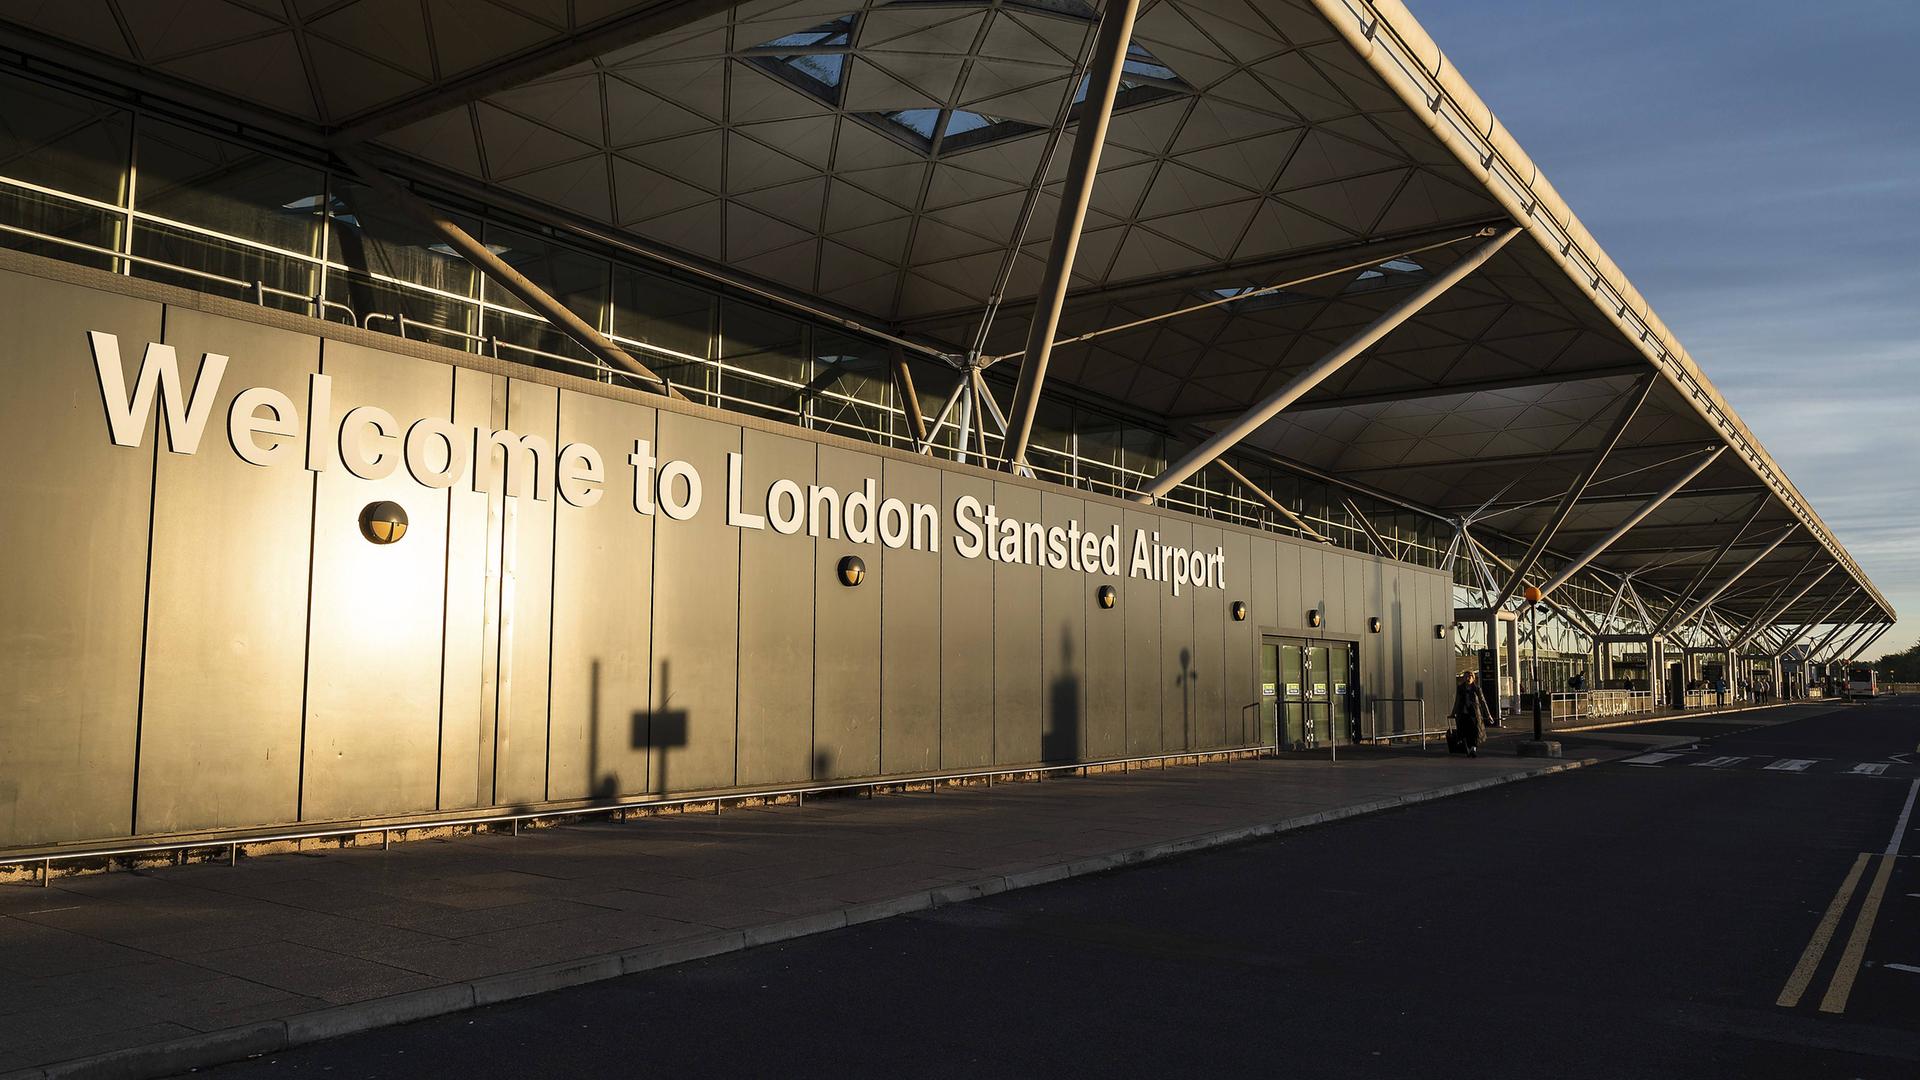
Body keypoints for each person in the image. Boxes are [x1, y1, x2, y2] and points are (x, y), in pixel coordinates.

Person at [1451, 671, 1491, 758]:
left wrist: (1488, 714)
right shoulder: (1461, 688)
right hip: (1463, 712)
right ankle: (1469, 749)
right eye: (1466, 677)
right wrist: (1453, 712)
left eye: (1469, 676)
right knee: (1464, 732)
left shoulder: (1476, 688)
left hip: (1474, 713)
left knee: (1475, 732)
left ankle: (1473, 749)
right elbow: (1457, 701)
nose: (1467, 678)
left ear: (1473, 678)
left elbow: (1482, 701)